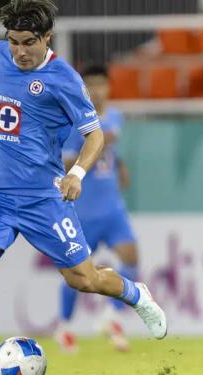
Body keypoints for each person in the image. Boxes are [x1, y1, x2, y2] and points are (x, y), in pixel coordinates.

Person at [0, 1, 167, 373]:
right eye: (14, 41)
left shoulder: (63, 78)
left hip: (42, 198)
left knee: (83, 279)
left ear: (47, 37)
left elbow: (95, 137)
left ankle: (136, 294)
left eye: (28, 42)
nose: (19, 51)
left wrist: (77, 175)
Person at [55, 66, 138, 353]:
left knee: (131, 258)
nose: (97, 91)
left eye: (101, 85)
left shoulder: (115, 116)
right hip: (83, 211)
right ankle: (64, 327)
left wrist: (120, 166)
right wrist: (94, 145)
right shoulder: (74, 123)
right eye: (90, 86)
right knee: (78, 273)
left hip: (113, 208)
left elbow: (112, 151)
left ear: (109, 87)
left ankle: (110, 315)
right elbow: (65, 166)